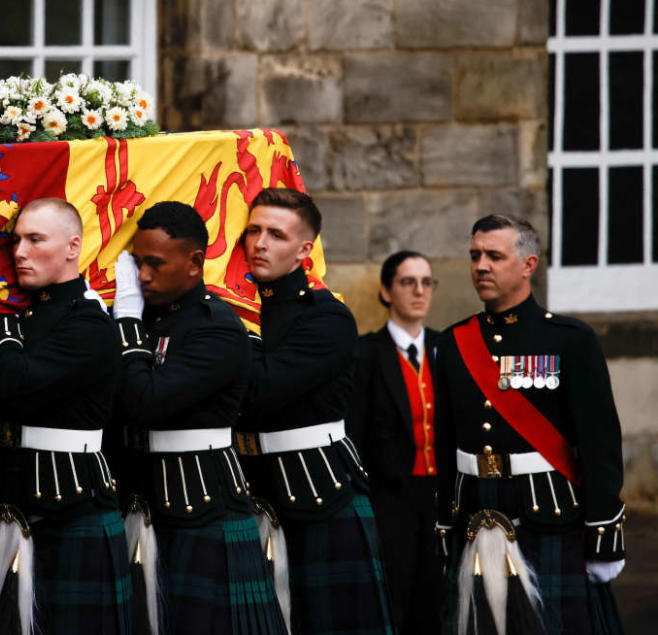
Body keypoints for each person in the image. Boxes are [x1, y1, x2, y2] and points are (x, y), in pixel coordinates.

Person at [433, 214, 626, 633]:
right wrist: (445, 523)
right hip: (474, 513)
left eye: (494, 256)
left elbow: (600, 444)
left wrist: (603, 532)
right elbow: (444, 442)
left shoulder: (569, 340)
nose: (481, 265)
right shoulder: (452, 343)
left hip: (546, 513)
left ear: (528, 265)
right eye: (475, 255)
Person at [111, 201, 286, 634]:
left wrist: (126, 323)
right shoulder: (149, 317)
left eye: (155, 264)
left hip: (201, 504)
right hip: (139, 498)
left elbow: (146, 400)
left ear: (193, 262)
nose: (143, 276)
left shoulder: (217, 328)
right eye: (138, 264)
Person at [0, 197, 129, 634]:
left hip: (70, 502)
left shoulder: (88, 323)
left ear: (73, 246)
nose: (19, 252)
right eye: (17, 240)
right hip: (10, 496)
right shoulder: (23, 315)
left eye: (36, 239)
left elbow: (13, 385)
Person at [235, 187, 391, 633]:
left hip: (318, 491)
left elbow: (260, 389)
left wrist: (227, 328)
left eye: (276, 235)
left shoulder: (326, 317)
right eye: (253, 230)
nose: (260, 243)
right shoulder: (234, 308)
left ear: (305, 249)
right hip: (246, 488)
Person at [351, 250, 441, 634]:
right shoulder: (366, 353)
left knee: (436, 599)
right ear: (387, 292)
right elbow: (355, 431)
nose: (419, 291)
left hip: (439, 498)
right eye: (408, 282)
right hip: (389, 500)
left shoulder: (446, 349)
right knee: (394, 598)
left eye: (426, 282)